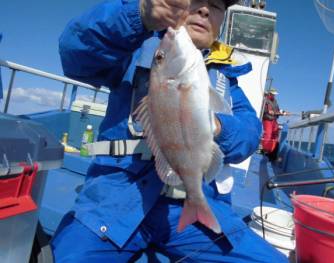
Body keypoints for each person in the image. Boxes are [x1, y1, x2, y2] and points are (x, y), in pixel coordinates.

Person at [51, 0, 288, 262]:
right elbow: (75, 52)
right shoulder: (133, 48)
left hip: (201, 201)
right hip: (117, 199)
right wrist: (139, 14)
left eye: (216, 6)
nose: (205, 10)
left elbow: (249, 135)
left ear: (222, 22)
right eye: (196, 0)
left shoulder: (227, 82)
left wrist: (217, 125)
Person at [261, 87, 289, 157]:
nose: (274, 96)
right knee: (268, 134)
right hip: (267, 120)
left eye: (274, 94)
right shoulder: (265, 100)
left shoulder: (275, 101)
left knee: (275, 133)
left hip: (274, 120)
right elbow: (267, 111)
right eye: (273, 94)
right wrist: (274, 112)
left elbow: (278, 110)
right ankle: (265, 150)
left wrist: (284, 112)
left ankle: (272, 150)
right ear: (269, 93)